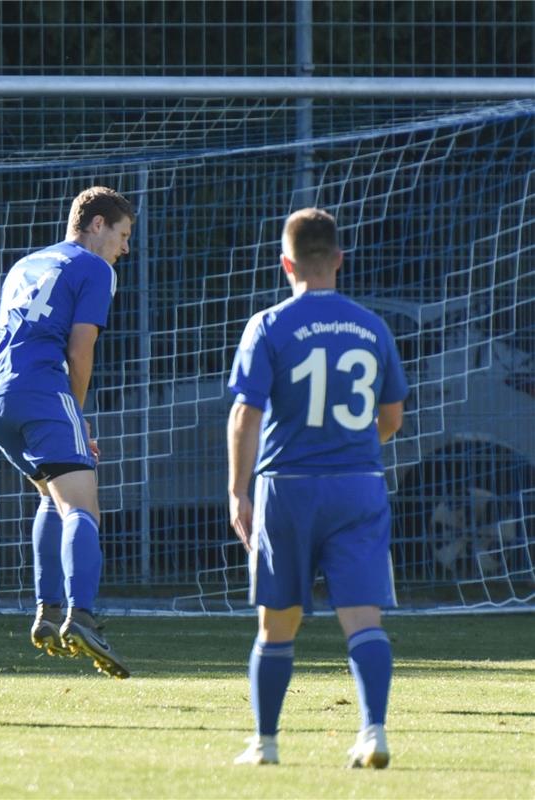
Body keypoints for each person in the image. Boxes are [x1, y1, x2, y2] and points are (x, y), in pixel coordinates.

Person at [226, 208, 409, 767]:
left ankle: (265, 744)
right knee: (363, 617)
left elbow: (244, 415)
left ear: (286, 263)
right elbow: (393, 416)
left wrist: (238, 489)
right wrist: (350, 444)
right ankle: (373, 731)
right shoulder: (372, 325)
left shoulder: (268, 324)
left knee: (277, 622)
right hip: (359, 485)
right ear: (339, 260)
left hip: (289, 486)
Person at [0, 186, 135, 679]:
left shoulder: (26, 264)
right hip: (39, 389)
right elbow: (80, 349)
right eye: (123, 235)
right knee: (83, 506)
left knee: (50, 496)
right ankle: (80, 615)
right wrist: (76, 414)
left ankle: (46, 611)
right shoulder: (96, 268)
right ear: (98, 225)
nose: (125, 248)